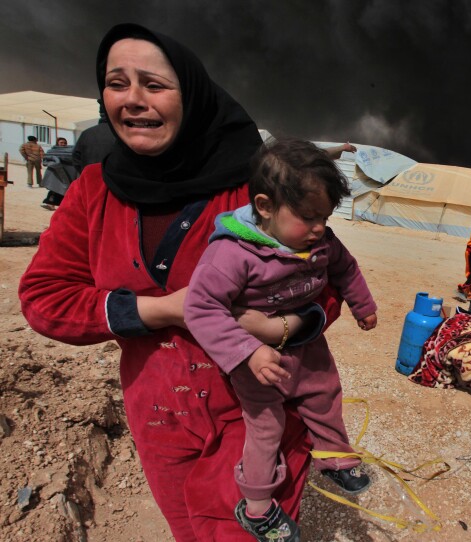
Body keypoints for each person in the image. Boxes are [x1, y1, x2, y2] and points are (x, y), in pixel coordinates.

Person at [18, 24, 353, 540]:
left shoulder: (255, 192)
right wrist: (163, 309)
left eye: (153, 85)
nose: (132, 99)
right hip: (159, 417)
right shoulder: (93, 191)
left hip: (256, 410)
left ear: (192, 94)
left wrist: (280, 326)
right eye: (116, 82)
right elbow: (45, 298)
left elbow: (325, 280)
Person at [184, 138, 377, 537]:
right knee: (266, 425)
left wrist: (363, 305)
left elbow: (346, 269)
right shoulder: (232, 254)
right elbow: (200, 307)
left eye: (325, 216)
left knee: (325, 392)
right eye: (308, 217)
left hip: (308, 345)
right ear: (265, 207)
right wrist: (248, 352)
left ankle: (334, 457)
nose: (320, 228)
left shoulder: (321, 242)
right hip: (257, 362)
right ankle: (256, 507)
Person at [72, 105, 117, 174]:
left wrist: (84, 172)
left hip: (90, 178)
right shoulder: (121, 134)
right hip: (114, 179)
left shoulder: (86, 134)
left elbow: (76, 159)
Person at [40, 137, 74, 210]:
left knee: (65, 190)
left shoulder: (70, 152)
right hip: (55, 174)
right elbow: (46, 159)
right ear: (57, 143)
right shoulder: (53, 151)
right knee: (54, 189)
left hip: (67, 174)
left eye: (64, 143)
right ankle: (50, 204)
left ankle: (62, 206)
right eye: (61, 143)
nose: (63, 144)